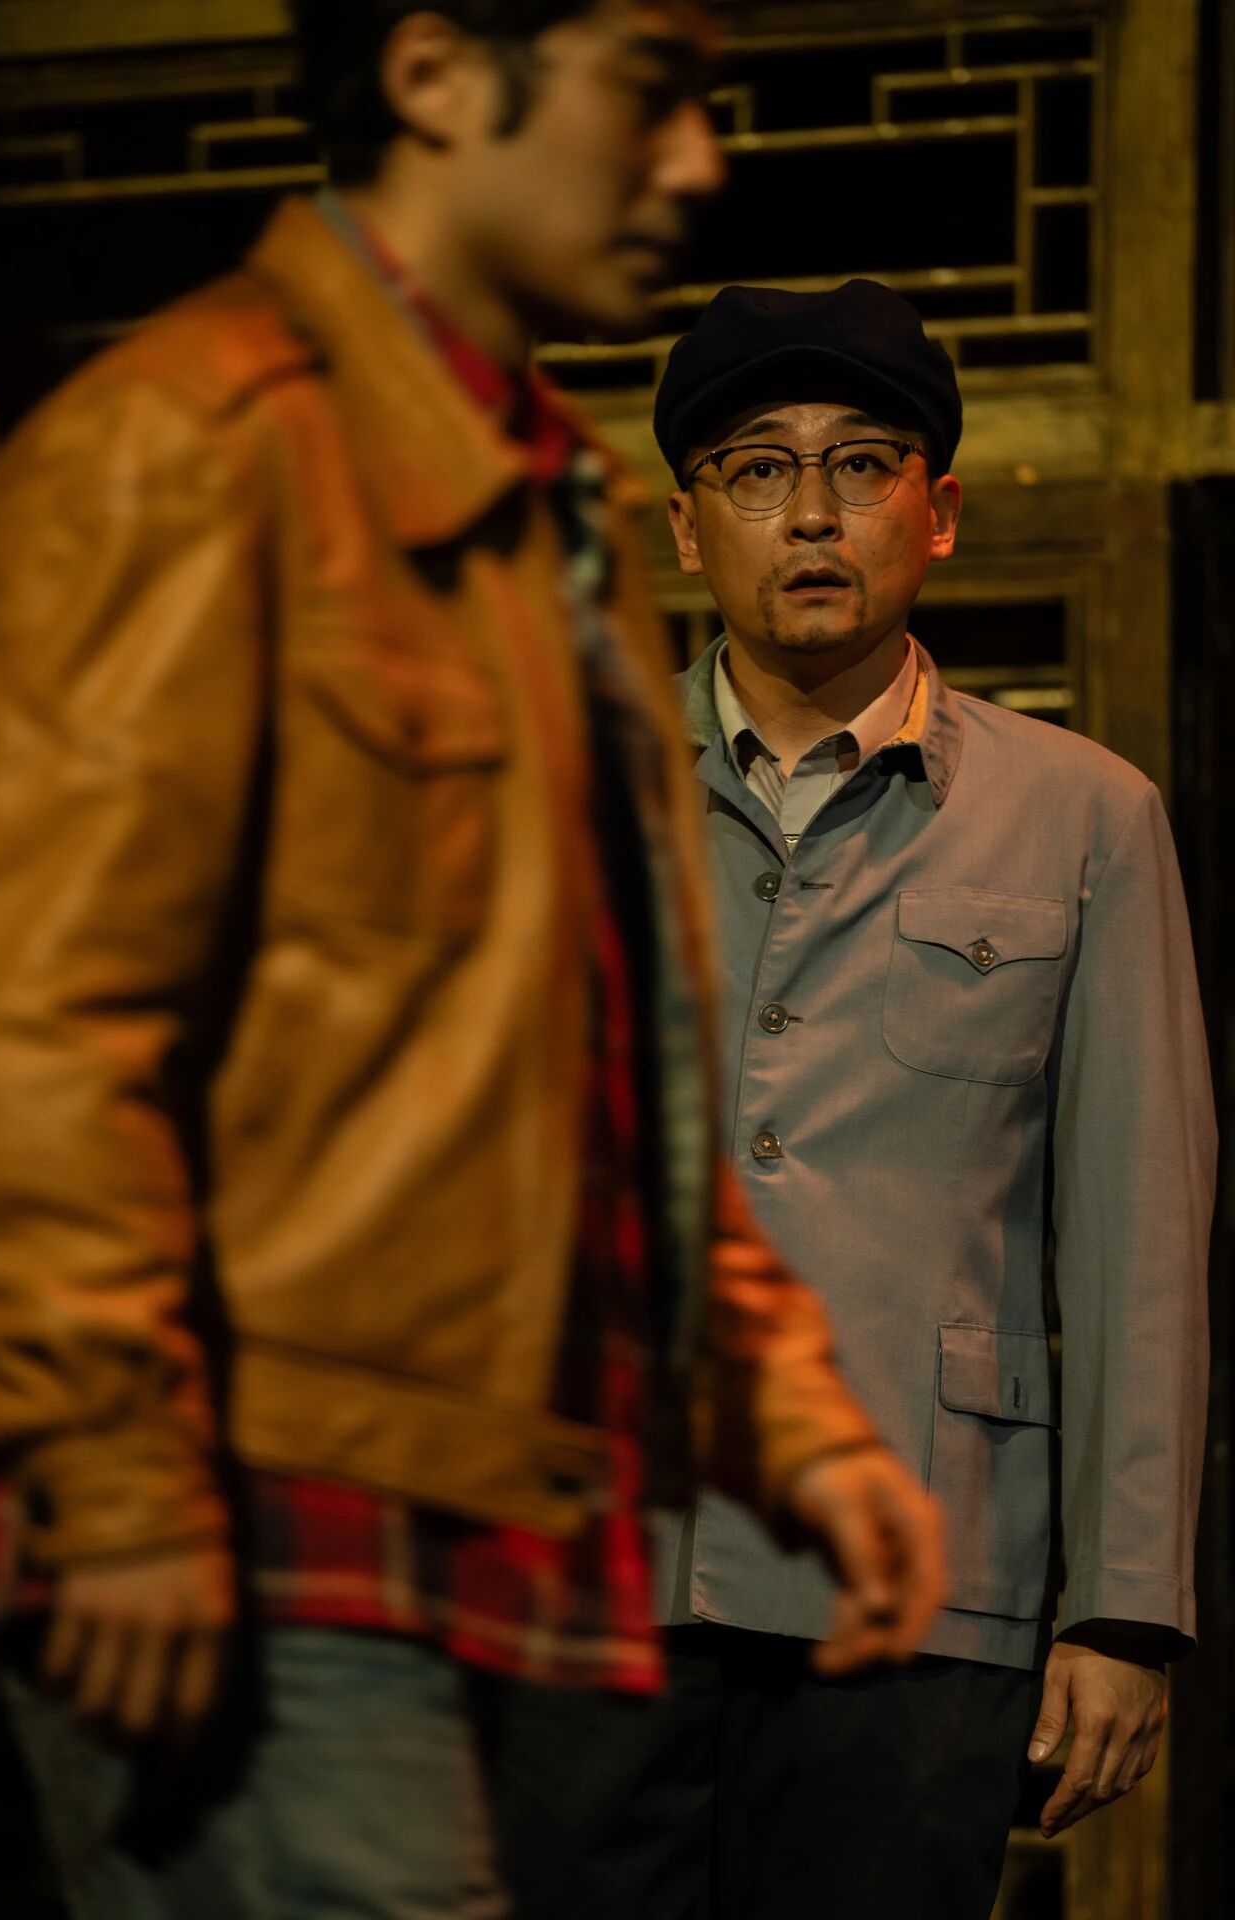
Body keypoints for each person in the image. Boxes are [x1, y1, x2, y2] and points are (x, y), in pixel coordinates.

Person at [0, 11, 943, 1918]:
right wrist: (113, 1465)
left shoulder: (534, 507)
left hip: (475, 1521)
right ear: (430, 76)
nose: (696, 160)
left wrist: (780, 1409)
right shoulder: (194, 445)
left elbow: (591, 1054)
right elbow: (27, 1016)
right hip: (247, 1520)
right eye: (642, 89)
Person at [552, 279, 1213, 1920]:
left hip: (921, 1576)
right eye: (758, 469)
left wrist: (1123, 1606)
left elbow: (1138, 1237)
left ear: (941, 511)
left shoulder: (1084, 818)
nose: (812, 514)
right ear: (688, 527)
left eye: (861, 464)